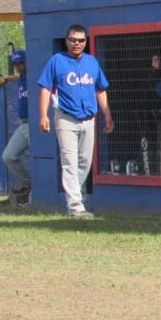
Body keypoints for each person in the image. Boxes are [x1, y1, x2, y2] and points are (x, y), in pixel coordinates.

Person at [38, 24, 114, 219]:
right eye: (73, 40)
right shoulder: (57, 60)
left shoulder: (92, 62)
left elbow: (100, 89)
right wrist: (43, 115)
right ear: (66, 41)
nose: (77, 43)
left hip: (89, 118)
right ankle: (76, 206)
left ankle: (76, 198)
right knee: (69, 161)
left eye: (81, 40)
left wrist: (107, 114)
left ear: (86, 42)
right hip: (66, 117)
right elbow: (45, 87)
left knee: (85, 161)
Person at [0, 49, 31, 199]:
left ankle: (40, 191)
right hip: (24, 124)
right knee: (8, 156)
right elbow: (17, 76)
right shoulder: (20, 77)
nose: (18, 67)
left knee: (40, 157)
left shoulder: (34, 76)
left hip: (35, 124)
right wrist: (6, 78)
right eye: (16, 64)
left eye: (21, 63)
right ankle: (28, 184)